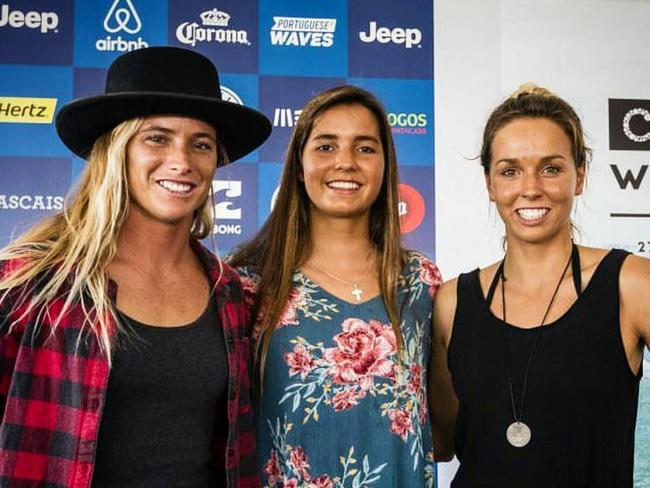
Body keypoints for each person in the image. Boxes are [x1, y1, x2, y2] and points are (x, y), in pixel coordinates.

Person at [0, 46, 271, 487]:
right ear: (116, 151)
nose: (182, 161)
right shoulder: (30, 286)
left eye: (200, 144)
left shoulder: (234, 295)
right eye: (157, 138)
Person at [430, 84, 650, 487]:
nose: (531, 187)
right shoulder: (451, 302)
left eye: (551, 168)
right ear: (490, 184)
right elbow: (439, 443)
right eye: (510, 170)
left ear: (579, 176)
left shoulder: (631, 284)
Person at [229, 85, 442, 487]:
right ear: (298, 164)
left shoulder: (419, 282)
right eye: (326, 147)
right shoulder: (247, 282)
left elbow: (441, 429)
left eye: (365, 148)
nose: (345, 163)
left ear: (385, 165)